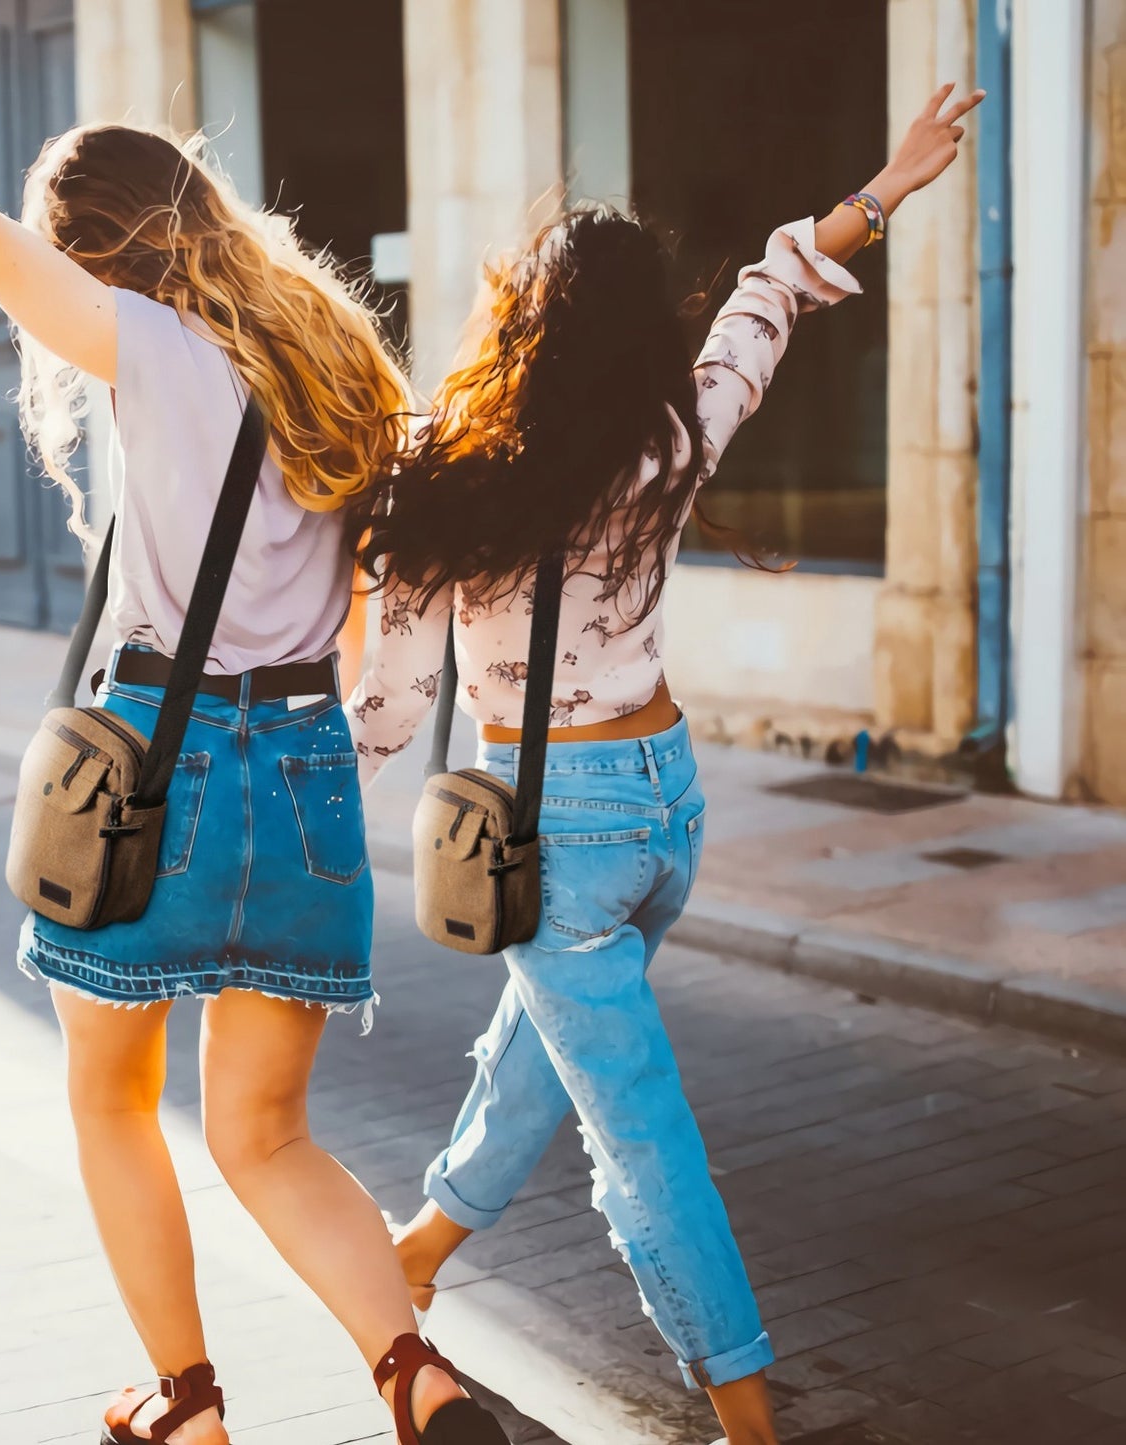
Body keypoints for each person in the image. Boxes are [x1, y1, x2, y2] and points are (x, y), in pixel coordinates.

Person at [0, 5, 513, 1444]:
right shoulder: (335, 354)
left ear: (95, 255)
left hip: (158, 773)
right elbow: (371, 603)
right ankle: (410, 1372)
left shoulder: (147, 346)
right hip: (301, 767)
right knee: (269, 1133)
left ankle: (187, 1406)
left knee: (115, 1102)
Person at [347, 82, 985, 1445]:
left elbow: (389, 704)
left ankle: (744, 1412)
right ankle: (414, 1253)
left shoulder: (444, 478)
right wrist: (882, 189)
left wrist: (307, 830)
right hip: (662, 810)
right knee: (551, 1046)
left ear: (518, 321)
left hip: (545, 834)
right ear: (643, 331)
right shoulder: (673, 435)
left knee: (635, 1132)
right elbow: (767, 295)